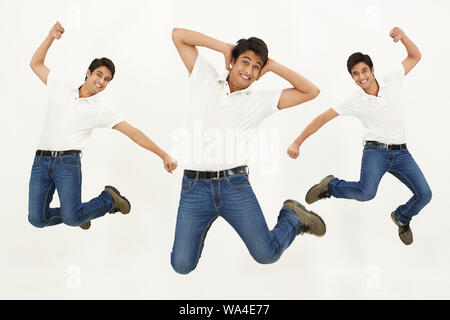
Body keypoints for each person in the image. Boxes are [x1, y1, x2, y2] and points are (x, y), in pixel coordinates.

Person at [170, 27, 325, 274]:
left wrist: (272, 66)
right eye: (245, 62)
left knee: (266, 254)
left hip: (234, 186)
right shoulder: (205, 78)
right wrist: (223, 47)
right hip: (194, 187)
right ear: (232, 61)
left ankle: (292, 218)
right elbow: (178, 34)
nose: (249, 70)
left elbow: (311, 91)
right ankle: (202, 223)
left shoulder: (260, 100)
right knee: (181, 265)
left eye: (256, 66)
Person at [287, 27, 431, 245]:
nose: (361, 77)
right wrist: (297, 142)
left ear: (372, 70)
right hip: (376, 152)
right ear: (352, 78)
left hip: (402, 153)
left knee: (425, 195)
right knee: (366, 193)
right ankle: (331, 186)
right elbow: (322, 118)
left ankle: (402, 216)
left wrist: (403, 38)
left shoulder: (391, 79)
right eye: (356, 74)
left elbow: (415, 56)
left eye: (364, 71)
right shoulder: (354, 100)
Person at [28, 22, 178, 230]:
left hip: (67, 164)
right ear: (88, 72)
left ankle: (107, 200)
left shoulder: (100, 110)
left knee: (72, 218)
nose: (102, 81)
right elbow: (35, 63)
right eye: (99, 74)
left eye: (107, 79)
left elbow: (133, 132)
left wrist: (163, 155)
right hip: (41, 161)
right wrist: (50, 37)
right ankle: (81, 214)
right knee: (36, 219)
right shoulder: (60, 86)